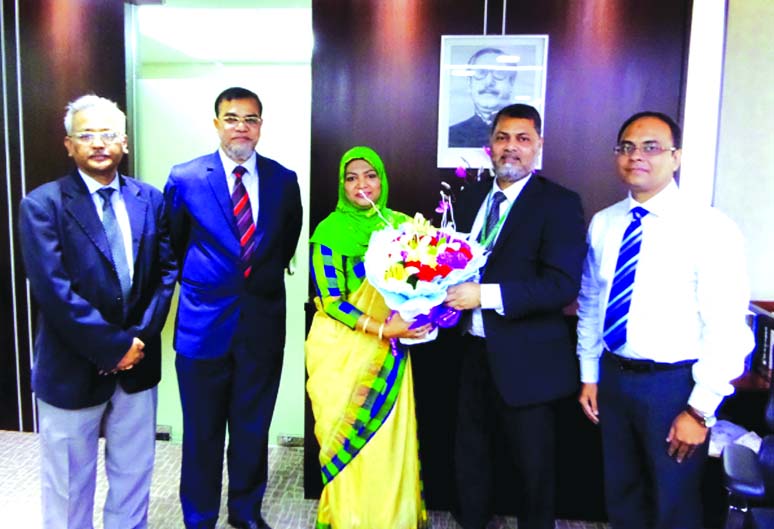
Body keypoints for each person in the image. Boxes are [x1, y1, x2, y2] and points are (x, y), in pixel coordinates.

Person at [576, 112, 754, 528]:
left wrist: (700, 411)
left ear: (676, 157)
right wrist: (590, 374)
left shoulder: (710, 227)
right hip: (614, 378)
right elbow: (590, 302)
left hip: (675, 387)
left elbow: (728, 327)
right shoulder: (605, 223)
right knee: (622, 496)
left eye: (651, 147)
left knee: (673, 504)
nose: (637, 156)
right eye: (627, 147)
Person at [18, 94, 177, 529]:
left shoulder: (152, 199)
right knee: (68, 485)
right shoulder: (42, 205)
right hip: (71, 367)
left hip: (138, 367)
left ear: (124, 142)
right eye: (86, 135)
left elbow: (165, 274)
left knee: (134, 476)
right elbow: (54, 291)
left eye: (108, 134)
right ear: (68, 145)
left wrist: (137, 341)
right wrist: (114, 347)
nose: (99, 143)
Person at [164, 87, 302, 529]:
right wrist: (211, 282)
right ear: (216, 123)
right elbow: (173, 243)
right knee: (202, 434)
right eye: (232, 118)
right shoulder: (185, 177)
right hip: (203, 328)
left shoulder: (284, 180)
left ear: (261, 125)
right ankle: (200, 518)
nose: (241, 127)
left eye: (251, 119)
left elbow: (285, 242)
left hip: (261, 327)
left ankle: (245, 513)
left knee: (251, 431)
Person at [444, 104, 587, 529]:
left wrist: (484, 295)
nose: (512, 148)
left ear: (538, 146)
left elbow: (562, 285)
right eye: (503, 138)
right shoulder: (469, 198)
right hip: (470, 351)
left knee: (534, 469)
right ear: (489, 146)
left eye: (523, 139)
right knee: (470, 454)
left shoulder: (558, 203)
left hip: (530, 361)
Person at [305, 146, 432, 529]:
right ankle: (351, 519)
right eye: (352, 177)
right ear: (342, 185)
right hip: (341, 352)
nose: (362, 184)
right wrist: (381, 328)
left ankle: (392, 518)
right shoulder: (329, 231)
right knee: (347, 441)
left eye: (370, 175)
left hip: (390, 350)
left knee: (387, 441)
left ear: (382, 179)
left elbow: (425, 279)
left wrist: (420, 312)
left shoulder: (405, 227)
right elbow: (330, 301)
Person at [448, 48, 518, 148]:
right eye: (480, 73)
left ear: (511, 83)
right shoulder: (452, 135)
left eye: (499, 73)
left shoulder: (524, 134)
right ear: (469, 83)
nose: (488, 82)